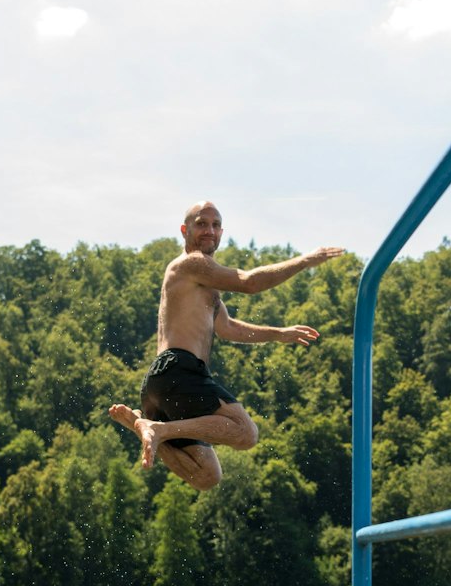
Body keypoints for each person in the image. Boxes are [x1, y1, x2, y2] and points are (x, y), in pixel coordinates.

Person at [107, 201, 344, 491]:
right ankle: (159, 429)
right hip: (179, 369)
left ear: (222, 232)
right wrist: (305, 261)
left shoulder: (203, 283)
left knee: (206, 476)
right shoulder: (191, 264)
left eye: (216, 225)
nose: (210, 230)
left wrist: (278, 333)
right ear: (185, 230)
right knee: (246, 433)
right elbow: (249, 282)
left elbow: (228, 328)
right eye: (201, 223)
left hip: (162, 383)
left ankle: (141, 425)